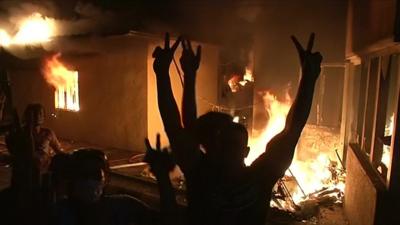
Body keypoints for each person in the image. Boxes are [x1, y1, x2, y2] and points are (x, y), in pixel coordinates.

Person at [153, 32, 322, 225]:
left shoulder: (201, 172)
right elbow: (293, 130)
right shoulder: (259, 177)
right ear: (245, 151)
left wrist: (165, 74)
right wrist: (308, 79)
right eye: (228, 142)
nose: (229, 147)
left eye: (232, 142)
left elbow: (176, 126)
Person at [51, 148, 158, 225]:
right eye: (84, 175)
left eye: (95, 175)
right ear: (72, 178)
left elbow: (164, 218)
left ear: (105, 179)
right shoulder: (59, 212)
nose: (90, 180)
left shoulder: (123, 206)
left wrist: (163, 179)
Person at [23, 104, 63, 173]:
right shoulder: (22, 133)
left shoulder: (48, 133)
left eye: (40, 113)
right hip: (27, 169)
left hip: (45, 167)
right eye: (35, 113)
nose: (38, 116)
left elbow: (58, 151)